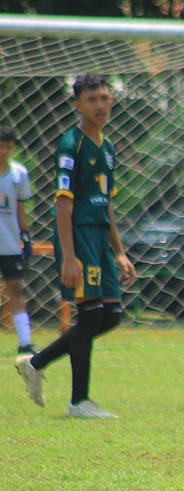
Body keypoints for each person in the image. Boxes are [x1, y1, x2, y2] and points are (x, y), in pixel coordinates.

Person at [15, 74, 136, 418]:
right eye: (92, 99)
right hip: (78, 235)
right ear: (77, 105)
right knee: (91, 313)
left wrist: (120, 252)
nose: (100, 104)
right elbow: (63, 203)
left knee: (110, 314)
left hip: (99, 236)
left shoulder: (107, 147)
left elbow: (106, 202)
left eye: (105, 97)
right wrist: (68, 256)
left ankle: (36, 363)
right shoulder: (72, 145)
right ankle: (79, 402)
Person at [0, 125, 38, 354]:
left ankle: (24, 342)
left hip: (10, 243)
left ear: (13, 147)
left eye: (7, 147)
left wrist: (26, 235)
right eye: (0, 146)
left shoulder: (19, 174)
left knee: (16, 289)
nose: (3, 151)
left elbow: (21, 207)